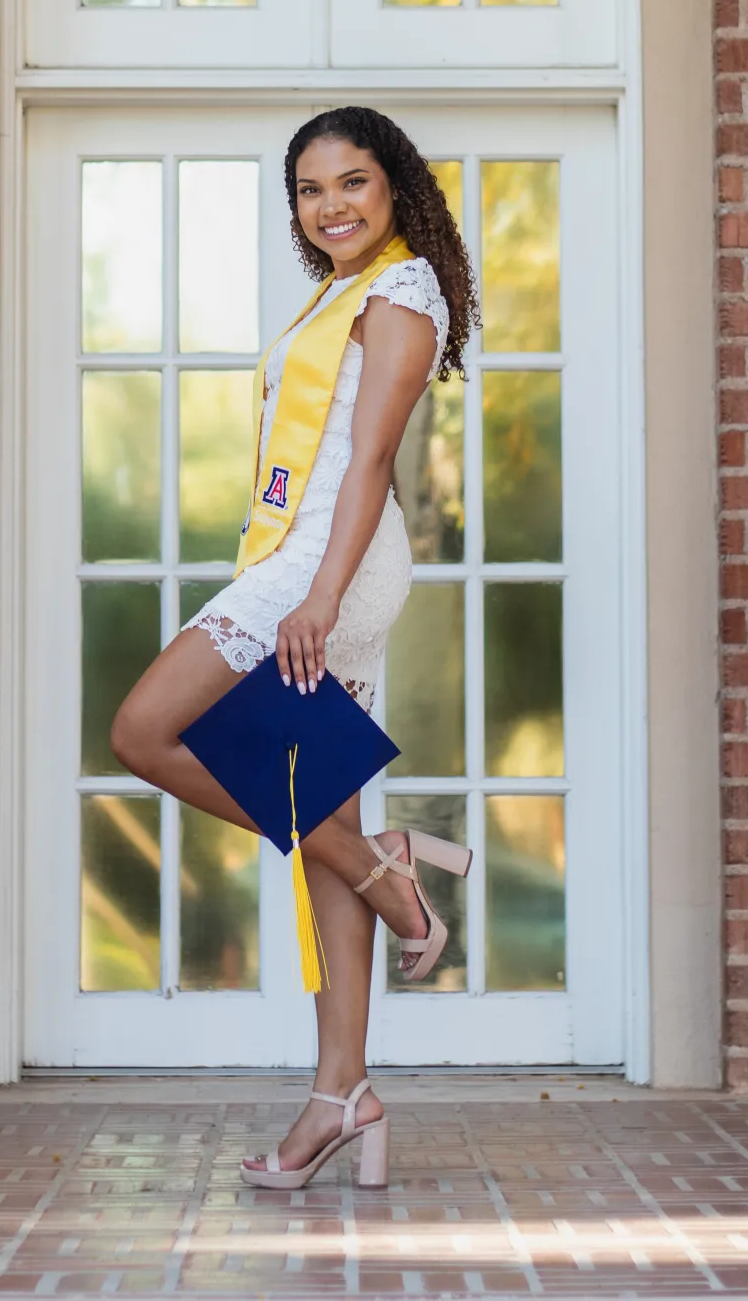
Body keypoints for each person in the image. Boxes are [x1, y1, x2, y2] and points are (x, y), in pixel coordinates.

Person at [110, 105, 480, 1190]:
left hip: (329, 568)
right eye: (312, 191)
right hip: (310, 556)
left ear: (396, 188)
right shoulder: (339, 291)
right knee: (323, 819)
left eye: (353, 183)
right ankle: (341, 1090)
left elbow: (370, 465)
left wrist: (317, 595)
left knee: (143, 728)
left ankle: (378, 865)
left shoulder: (403, 290)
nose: (334, 206)